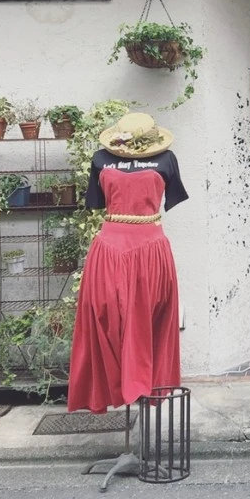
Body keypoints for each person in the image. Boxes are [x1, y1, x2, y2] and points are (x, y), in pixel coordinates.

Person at [67, 112, 188, 414]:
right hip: (109, 250)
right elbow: (97, 203)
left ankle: (148, 388)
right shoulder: (100, 159)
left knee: (152, 323)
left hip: (151, 250)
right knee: (104, 319)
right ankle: (112, 389)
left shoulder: (167, 160)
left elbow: (170, 199)